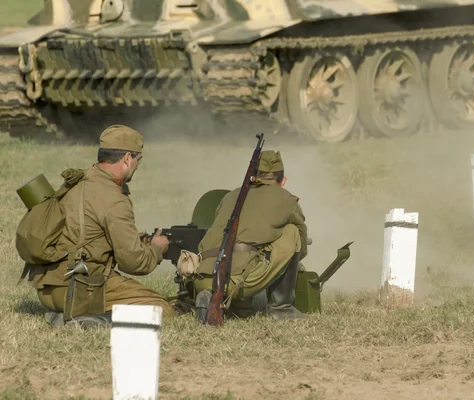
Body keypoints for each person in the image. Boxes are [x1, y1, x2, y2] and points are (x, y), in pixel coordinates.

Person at [23, 125, 175, 326]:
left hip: (48, 286)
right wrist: (157, 248)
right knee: (162, 309)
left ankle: (65, 313)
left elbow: (83, 234)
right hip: (79, 287)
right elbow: (134, 263)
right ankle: (93, 320)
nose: (138, 166)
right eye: (139, 160)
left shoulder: (79, 180)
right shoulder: (114, 198)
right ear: (128, 158)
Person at [192, 150, 309, 321]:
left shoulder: (230, 195)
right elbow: (302, 241)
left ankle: (231, 303)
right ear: (282, 181)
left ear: (254, 177)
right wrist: (294, 261)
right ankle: (281, 309)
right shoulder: (286, 199)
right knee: (292, 232)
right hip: (235, 282)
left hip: (202, 276)